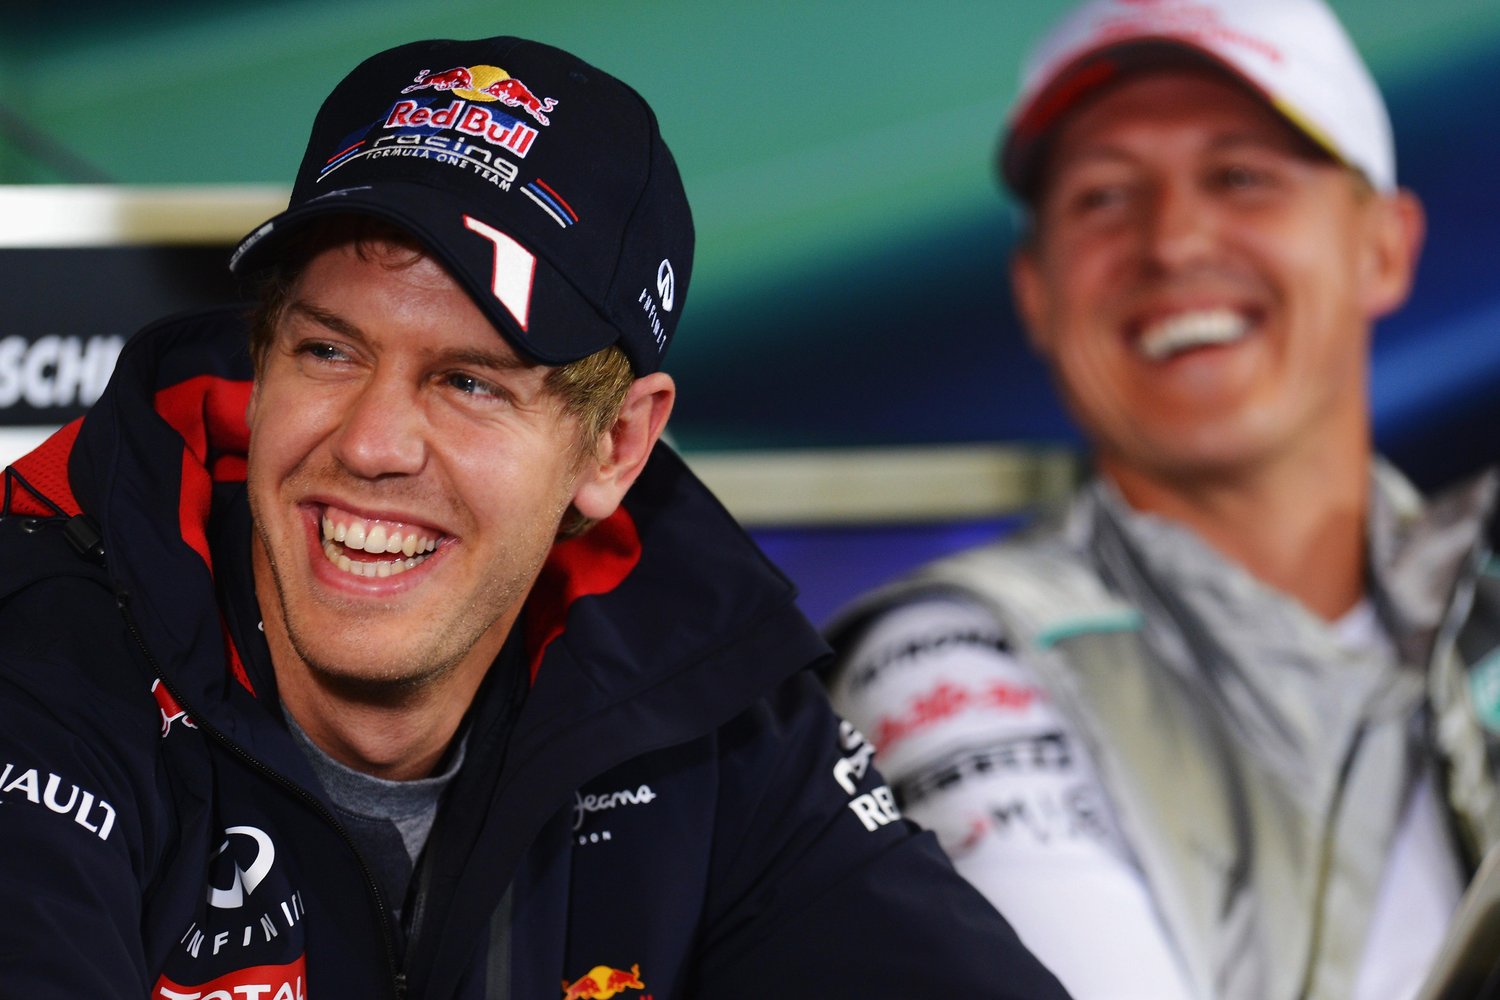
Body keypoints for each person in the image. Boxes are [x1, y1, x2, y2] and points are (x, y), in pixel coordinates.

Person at [0, 35, 1069, 999]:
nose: (371, 444)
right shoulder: (41, 652)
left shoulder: (699, 694)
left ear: (615, 448)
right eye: (328, 350)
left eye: (470, 381)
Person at [825, 1, 1500, 998]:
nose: (1175, 241)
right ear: (1036, 292)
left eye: (1241, 177)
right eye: (1103, 197)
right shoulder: (949, 651)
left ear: (1384, 248)